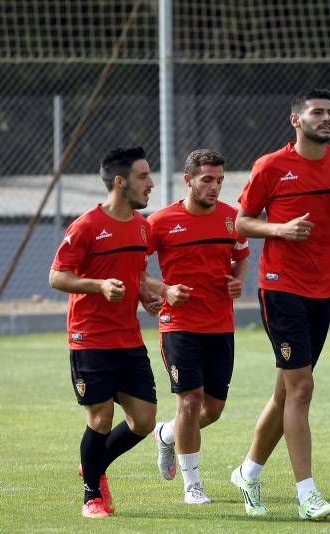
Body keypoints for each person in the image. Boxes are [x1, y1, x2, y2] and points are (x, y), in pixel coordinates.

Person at [230, 89, 330, 520]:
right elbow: (240, 222)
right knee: (302, 389)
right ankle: (307, 493)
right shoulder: (271, 166)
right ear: (297, 120)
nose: (326, 119)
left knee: (286, 391)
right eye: (317, 113)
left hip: (321, 291)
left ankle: (249, 472)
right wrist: (279, 230)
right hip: (280, 287)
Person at [49, 147, 161, 518]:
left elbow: (136, 272)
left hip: (128, 337)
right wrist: (98, 286)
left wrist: (146, 293)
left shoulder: (142, 226)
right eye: (143, 176)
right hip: (90, 338)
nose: (151, 183)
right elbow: (57, 276)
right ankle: (91, 496)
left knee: (144, 420)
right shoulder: (85, 226)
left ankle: (93, 465)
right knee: (100, 418)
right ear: (120, 181)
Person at [147, 149, 249, 504]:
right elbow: (132, 266)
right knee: (189, 400)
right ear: (188, 180)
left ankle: (168, 434)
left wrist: (237, 282)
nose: (215, 186)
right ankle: (192, 484)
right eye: (207, 179)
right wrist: (163, 290)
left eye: (220, 180)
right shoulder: (160, 222)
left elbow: (241, 259)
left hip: (220, 324)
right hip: (179, 325)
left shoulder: (232, 218)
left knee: (212, 410)